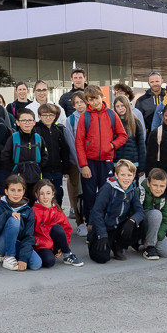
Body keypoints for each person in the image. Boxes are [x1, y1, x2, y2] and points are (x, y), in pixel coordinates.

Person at [75, 85, 128, 220]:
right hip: (90, 163)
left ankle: (106, 224)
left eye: (96, 98)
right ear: (87, 101)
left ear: (101, 97)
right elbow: (79, 143)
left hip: (107, 162)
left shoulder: (111, 114)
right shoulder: (84, 117)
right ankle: (91, 225)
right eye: (91, 100)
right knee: (89, 196)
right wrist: (83, 165)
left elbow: (123, 135)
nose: (94, 102)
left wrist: (111, 145)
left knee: (107, 194)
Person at [87, 159, 144, 263]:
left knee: (142, 224)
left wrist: (132, 221)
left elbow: (140, 211)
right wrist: (102, 234)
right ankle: (95, 241)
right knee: (102, 258)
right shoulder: (108, 188)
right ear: (116, 175)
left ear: (134, 175)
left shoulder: (132, 189)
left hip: (119, 227)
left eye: (129, 175)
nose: (126, 178)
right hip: (105, 228)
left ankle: (119, 246)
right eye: (123, 175)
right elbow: (97, 212)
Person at [0, 174, 40, 271]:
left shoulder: (28, 210)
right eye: (12, 190)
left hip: (17, 243)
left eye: (19, 190)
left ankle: (9, 257)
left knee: (36, 264)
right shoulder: (0, 206)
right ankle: (8, 256)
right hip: (1, 243)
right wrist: (7, 214)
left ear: (24, 192)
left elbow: (28, 236)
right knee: (14, 220)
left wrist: (23, 258)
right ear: (6, 191)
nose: (16, 194)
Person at [32, 179, 81, 267]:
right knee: (49, 262)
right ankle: (45, 255)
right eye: (41, 193)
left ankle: (67, 254)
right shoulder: (33, 211)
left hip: (55, 244)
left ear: (53, 194)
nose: (45, 197)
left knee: (57, 228)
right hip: (42, 245)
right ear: (36, 195)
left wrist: (63, 246)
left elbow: (66, 230)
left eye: (48, 193)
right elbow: (31, 233)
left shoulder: (57, 210)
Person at [34, 103, 72, 208]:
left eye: (51, 115)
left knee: (58, 193)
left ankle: (57, 215)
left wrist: (66, 169)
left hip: (57, 169)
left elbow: (64, 150)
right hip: (43, 170)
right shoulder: (36, 130)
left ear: (55, 116)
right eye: (45, 115)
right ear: (39, 116)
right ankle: (45, 216)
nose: (48, 118)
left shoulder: (58, 130)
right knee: (44, 194)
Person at [65, 92, 88, 234]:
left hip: (91, 161)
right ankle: (80, 222)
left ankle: (91, 219)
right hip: (76, 162)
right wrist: (80, 163)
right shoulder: (70, 120)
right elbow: (71, 143)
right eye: (77, 102)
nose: (80, 104)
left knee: (90, 192)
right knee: (76, 192)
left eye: (82, 101)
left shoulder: (92, 116)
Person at [10, 109, 46, 199]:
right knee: (20, 201)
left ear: (34, 122)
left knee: (35, 200)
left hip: (35, 176)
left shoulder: (38, 138)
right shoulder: (13, 138)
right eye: (23, 120)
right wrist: (13, 169)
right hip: (18, 176)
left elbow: (45, 154)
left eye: (30, 120)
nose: (27, 123)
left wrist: (38, 167)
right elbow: (5, 156)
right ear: (17, 122)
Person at [111, 87, 147, 171]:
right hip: (117, 163)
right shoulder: (112, 122)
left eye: (123, 105)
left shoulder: (135, 122)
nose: (120, 108)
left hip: (133, 163)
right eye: (117, 106)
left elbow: (141, 146)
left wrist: (141, 167)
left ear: (127, 106)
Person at [141, 169, 167, 259]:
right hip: (141, 225)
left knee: (166, 252)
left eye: (162, 186)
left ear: (166, 185)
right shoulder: (140, 191)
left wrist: (158, 236)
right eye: (155, 185)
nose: (158, 189)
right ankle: (149, 247)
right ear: (148, 183)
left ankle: (149, 241)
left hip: (155, 229)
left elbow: (166, 220)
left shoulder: (166, 197)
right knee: (156, 214)